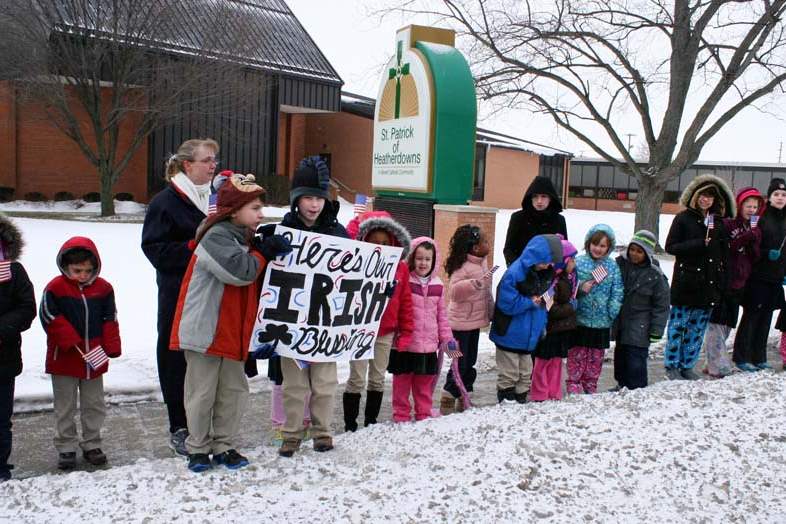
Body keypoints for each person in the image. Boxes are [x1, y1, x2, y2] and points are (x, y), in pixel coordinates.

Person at [170, 174, 290, 472]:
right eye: (255, 208)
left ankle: (224, 445)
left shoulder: (241, 239)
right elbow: (240, 272)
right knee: (202, 393)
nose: (261, 214)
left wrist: (263, 248)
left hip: (233, 331)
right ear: (234, 211)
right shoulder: (215, 237)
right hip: (206, 331)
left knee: (233, 392)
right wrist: (263, 252)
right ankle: (198, 447)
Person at [261, 157, 348, 449]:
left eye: (320, 198)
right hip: (292, 322)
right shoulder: (283, 231)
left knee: (324, 383)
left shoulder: (338, 233)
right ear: (296, 199)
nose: (314, 204)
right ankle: (291, 434)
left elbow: (354, 275)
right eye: (308, 197)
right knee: (294, 384)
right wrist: (267, 250)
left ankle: (322, 432)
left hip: (325, 322)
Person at [141, 138, 219, 455]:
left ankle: (204, 423)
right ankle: (179, 425)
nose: (213, 165)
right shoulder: (166, 202)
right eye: (207, 160)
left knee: (205, 356)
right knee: (175, 359)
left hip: (211, 292)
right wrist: (193, 249)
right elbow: (154, 249)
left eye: (214, 160)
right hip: (177, 295)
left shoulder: (213, 199)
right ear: (188, 164)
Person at [40, 237, 121, 470]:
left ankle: (92, 443)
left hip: (94, 355)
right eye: (77, 271)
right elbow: (49, 315)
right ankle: (66, 445)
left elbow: (110, 317)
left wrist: (111, 345)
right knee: (65, 405)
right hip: (65, 356)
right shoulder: (55, 288)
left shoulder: (104, 288)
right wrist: (69, 339)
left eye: (88, 270)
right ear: (66, 266)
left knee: (94, 403)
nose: (83, 275)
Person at [339, 210, 413, 435]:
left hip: (385, 331)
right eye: (374, 243)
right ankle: (350, 425)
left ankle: (370, 422)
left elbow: (405, 302)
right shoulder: (355, 265)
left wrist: (406, 332)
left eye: (384, 243)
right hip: (360, 328)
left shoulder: (400, 268)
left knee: (378, 379)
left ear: (393, 243)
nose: (380, 247)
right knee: (356, 379)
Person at [664, 175, 733, 380]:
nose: (705, 200)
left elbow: (724, 256)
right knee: (678, 328)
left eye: (710, 197)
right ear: (694, 196)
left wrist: (722, 281)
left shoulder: (718, 223)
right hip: (686, 284)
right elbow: (670, 247)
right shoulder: (682, 218)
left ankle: (687, 366)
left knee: (696, 330)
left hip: (708, 286)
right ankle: (672, 366)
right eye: (702, 195)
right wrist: (698, 243)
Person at [388, 236, 456, 422]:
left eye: (427, 259)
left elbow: (442, 316)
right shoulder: (404, 281)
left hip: (427, 347)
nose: (423, 263)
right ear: (412, 258)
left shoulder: (438, 285)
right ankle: (401, 415)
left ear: (434, 260)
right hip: (405, 345)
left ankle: (423, 414)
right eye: (419, 258)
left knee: (424, 385)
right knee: (401, 384)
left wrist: (448, 341)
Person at [490, 234, 563, 402]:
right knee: (509, 374)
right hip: (509, 334)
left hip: (529, 337)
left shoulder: (546, 275)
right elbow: (506, 304)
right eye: (545, 261)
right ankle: (507, 402)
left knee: (525, 374)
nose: (548, 265)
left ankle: (520, 401)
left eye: (550, 263)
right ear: (535, 256)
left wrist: (542, 326)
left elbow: (544, 306)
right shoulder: (515, 273)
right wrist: (530, 302)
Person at [702, 188, 763, 377]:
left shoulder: (754, 228)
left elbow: (755, 257)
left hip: (740, 282)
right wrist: (745, 237)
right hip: (724, 280)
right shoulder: (729, 224)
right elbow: (727, 248)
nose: (751, 210)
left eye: (755, 207)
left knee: (728, 323)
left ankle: (711, 361)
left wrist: (754, 239)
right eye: (748, 206)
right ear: (740, 205)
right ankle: (717, 366)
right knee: (717, 323)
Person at [440, 224, 494, 413]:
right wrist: (473, 284)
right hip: (458, 326)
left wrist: (491, 310)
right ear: (475, 248)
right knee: (458, 362)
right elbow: (454, 292)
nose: (488, 243)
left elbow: (486, 292)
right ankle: (448, 395)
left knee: (470, 360)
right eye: (485, 241)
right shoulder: (463, 267)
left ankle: (465, 394)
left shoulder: (482, 263)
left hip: (474, 323)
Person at [734, 178, 786, 371]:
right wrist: (765, 253)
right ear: (770, 197)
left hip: (776, 277)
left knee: (766, 318)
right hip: (758, 275)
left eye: (784, 195)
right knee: (752, 316)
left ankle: (759, 357)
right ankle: (742, 357)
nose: (780, 198)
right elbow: (751, 245)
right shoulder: (760, 217)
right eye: (776, 194)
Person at [0, 214, 36, 482]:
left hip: (4, 358)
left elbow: (27, 308)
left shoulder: (14, 272)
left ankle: (0, 465)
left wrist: (3, 328)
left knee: (1, 417)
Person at [568, 224, 623, 394]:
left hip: (601, 322)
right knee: (577, 354)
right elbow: (568, 286)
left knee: (595, 356)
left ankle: (590, 383)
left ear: (609, 247)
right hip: (580, 319)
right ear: (588, 243)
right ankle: (574, 383)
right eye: (595, 244)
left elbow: (617, 290)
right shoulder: (578, 262)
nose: (598, 249)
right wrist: (580, 289)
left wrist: (611, 312)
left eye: (602, 246)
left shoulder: (612, 266)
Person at [612, 231, 670, 390]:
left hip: (641, 324)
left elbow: (661, 305)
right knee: (621, 356)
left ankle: (637, 388)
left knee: (636, 359)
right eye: (632, 249)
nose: (634, 254)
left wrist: (656, 329)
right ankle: (621, 384)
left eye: (639, 251)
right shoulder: (619, 264)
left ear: (647, 253)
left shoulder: (655, 275)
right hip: (622, 322)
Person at [529, 239, 577, 402]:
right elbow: (550, 308)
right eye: (572, 259)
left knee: (556, 362)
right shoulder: (553, 283)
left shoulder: (567, 278)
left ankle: (554, 392)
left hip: (561, 330)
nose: (574, 263)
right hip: (549, 331)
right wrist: (571, 307)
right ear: (563, 261)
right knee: (543, 362)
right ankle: (539, 393)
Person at [503, 176, 568, 267]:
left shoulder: (559, 220)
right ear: (530, 197)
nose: (539, 201)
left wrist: (552, 268)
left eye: (544, 196)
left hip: (550, 272)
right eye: (535, 196)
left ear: (550, 198)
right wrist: (522, 267)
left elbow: (564, 250)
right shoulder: (518, 218)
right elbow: (509, 249)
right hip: (523, 271)